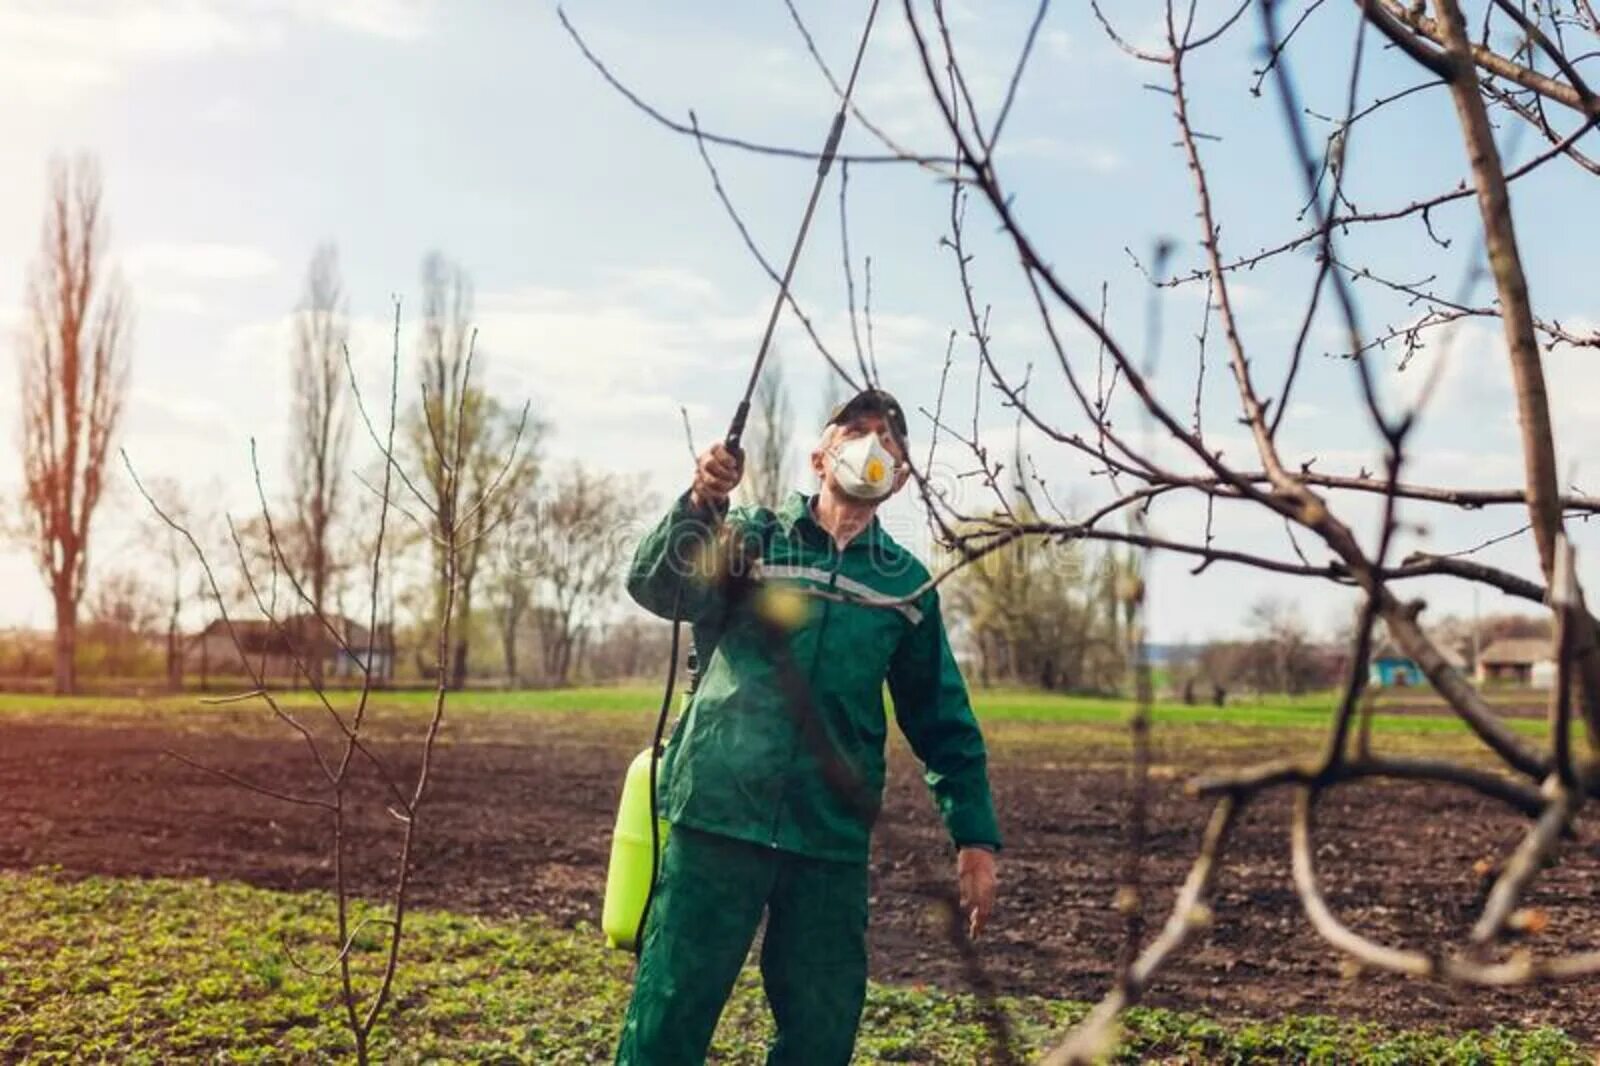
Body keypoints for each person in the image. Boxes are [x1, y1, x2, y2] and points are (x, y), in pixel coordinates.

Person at [615, 387, 1002, 1065]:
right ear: (820, 454)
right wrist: (701, 504)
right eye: (856, 430)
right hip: (717, 819)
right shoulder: (751, 541)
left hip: (829, 837)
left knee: (822, 1033)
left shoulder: (903, 585)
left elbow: (940, 715)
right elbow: (657, 586)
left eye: (889, 438)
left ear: (902, 475)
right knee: (668, 1018)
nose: (871, 446)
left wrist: (974, 834)